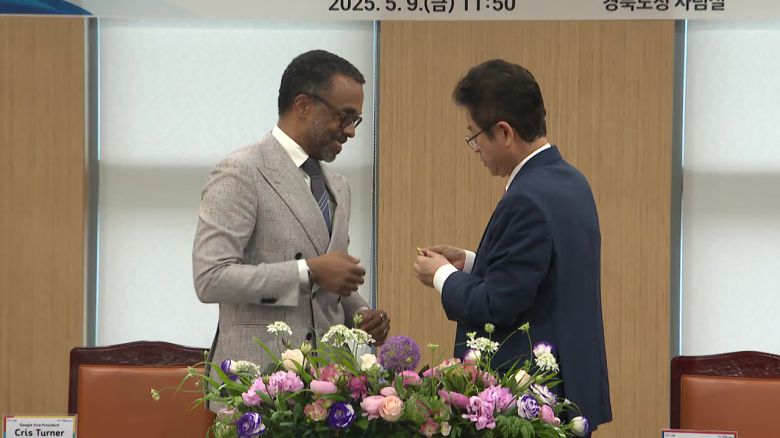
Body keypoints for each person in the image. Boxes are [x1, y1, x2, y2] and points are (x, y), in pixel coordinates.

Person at [413, 59, 611, 433]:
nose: (475, 148)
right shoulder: (571, 181)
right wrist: (471, 263)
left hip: (534, 400)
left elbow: (497, 305)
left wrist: (441, 275)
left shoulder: (526, 198)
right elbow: (542, 273)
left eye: (474, 136)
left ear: (504, 132)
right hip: (570, 387)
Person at [193, 50, 390, 382]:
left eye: (355, 120)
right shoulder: (241, 172)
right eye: (345, 117)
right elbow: (211, 279)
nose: (351, 131)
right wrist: (308, 271)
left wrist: (360, 313)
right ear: (303, 105)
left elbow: (326, 284)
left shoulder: (338, 186)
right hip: (255, 384)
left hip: (329, 385)